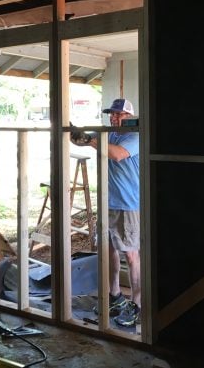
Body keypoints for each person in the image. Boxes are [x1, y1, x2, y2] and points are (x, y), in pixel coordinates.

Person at [72, 98, 140, 327]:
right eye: (112, 114)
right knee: (109, 250)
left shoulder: (135, 136)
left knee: (131, 255)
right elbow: (83, 141)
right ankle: (115, 296)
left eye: (119, 114)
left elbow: (117, 154)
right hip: (108, 203)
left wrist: (91, 140)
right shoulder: (108, 133)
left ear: (129, 117)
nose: (114, 118)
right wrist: (76, 133)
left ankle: (137, 303)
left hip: (128, 205)